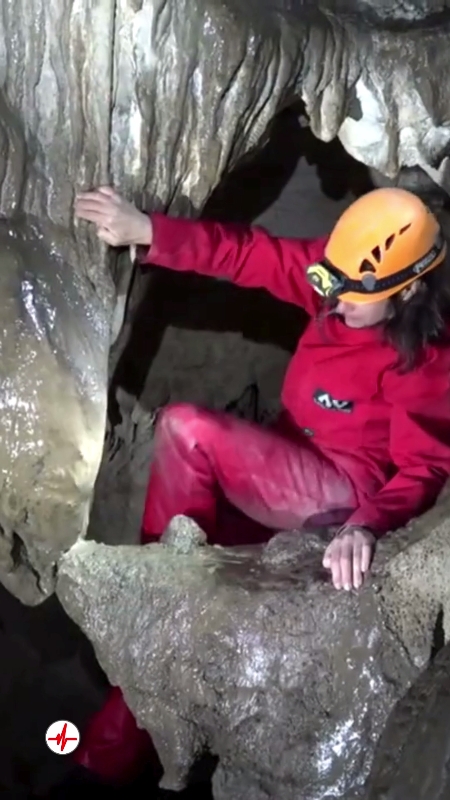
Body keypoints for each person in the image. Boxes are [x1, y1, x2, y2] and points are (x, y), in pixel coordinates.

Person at [67, 185, 450, 788]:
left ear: (406, 291)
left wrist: (365, 526)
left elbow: (424, 466)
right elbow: (250, 254)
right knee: (188, 620)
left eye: (354, 295)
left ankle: (157, 586)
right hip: (284, 464)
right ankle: (101, 758)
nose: (334, 301)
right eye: (333, 283)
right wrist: (147, 231)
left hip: (339, 490)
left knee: (188, 431)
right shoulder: (337, 279)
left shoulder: (422, 359)